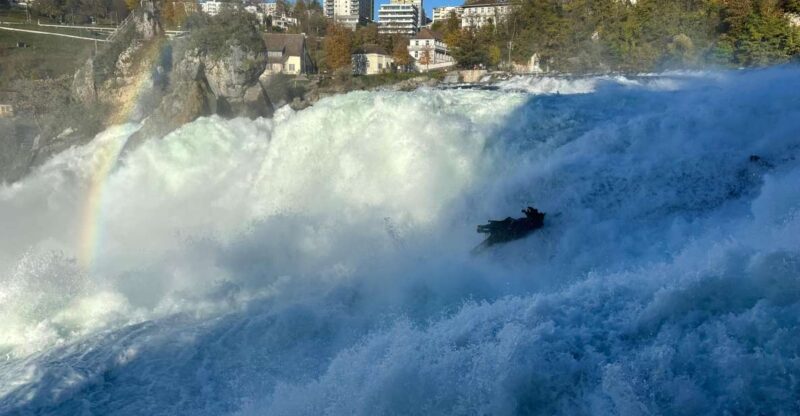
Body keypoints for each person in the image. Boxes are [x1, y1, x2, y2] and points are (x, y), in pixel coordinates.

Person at [476, 206, 546, 248]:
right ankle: (484, 229)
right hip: (511, 228)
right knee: (501, 225)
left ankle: (484, 230)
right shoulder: (530, 221)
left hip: (510, 232)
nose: (528, 213)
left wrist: (511, 224)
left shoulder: (534, 223)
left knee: (495, 234)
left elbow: (518, 231)